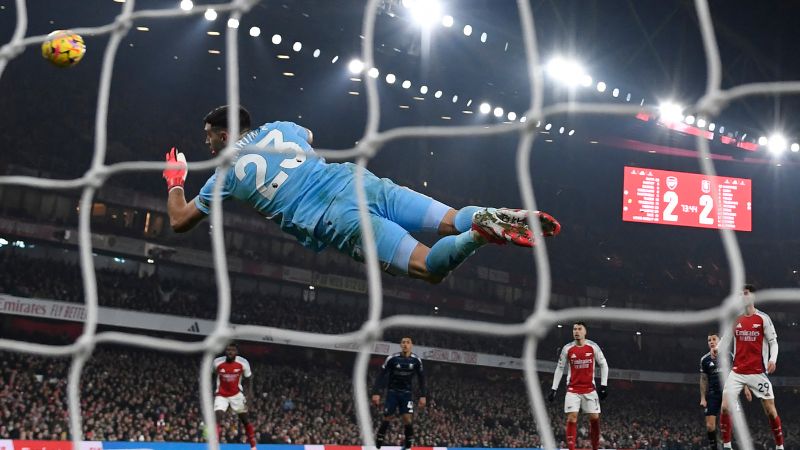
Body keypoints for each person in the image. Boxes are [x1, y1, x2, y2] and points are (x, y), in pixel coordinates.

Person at [162, 105, 560, 283]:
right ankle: (479, 217)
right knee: (451, 217)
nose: (209, 145)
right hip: (356, 181)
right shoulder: (281, 127)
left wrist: (175, 181)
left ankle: (478, 236)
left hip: (335, 218)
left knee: (430, 269)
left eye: (211, 137)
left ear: (227, 135)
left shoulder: (226, 174)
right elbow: (309, 136)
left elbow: (180, 221)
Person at [713, 285, 783, 450]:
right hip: (737, 372)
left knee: (770, 411)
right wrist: (718, 349)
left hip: (758, 372)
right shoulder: (736, 319)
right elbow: (726, 338)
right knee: (724, 407)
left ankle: (780, 446)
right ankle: (727, 445)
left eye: (745, 294)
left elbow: (773, 342)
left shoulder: (763, 318)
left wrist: (773, 359)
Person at [548, 322, 608, 450]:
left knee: (594, 418)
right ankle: (571, 448)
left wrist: (604, 386)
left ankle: (595, 447)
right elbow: (559, 368)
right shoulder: (567, 348)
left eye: (579, 329)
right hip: (573, 389)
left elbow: (604, 365)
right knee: (572, 417)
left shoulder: (593, 347)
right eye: (574, 329)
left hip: (590, 389)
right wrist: (554, 389)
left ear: (585, 332)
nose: (576, 331)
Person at [371, 337, 426, 450]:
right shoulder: (392, 359)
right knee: (387, 417)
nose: (405, 344)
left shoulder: (416, 360)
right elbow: (381, 375)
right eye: (403, 342)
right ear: (401, 345)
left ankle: (408, 444)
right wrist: (376, 392)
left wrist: (423, 396)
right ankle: (378, 442)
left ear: (411, 345)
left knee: (407, 419)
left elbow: (422, 379)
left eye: (408, 342)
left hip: (406, 394)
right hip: (392, 392)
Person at [699, 332, 751, 450]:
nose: (711, 342)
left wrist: (746, 388)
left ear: (719, 341)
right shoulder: (705, 359)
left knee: (733, 419)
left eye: (713, 339)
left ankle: (728, 445)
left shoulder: (729, 355)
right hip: (713, 394)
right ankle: (714, 447)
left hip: (728, 393)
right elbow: (703, 379)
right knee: (710, 426)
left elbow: (739, 372)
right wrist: (702, 397)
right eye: (709, 340)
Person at [213, 343, 257, 450]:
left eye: (232, 350)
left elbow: (249, 377)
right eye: (228, 350)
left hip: (236, 395)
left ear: (236, 352)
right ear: (225, 351)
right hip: (221, 394)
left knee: (245, 419)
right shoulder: (217, 362)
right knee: (217, 416)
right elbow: (212, 375)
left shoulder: (243, 363)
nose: (230, 352)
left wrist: (250, 394)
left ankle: (253, 446)